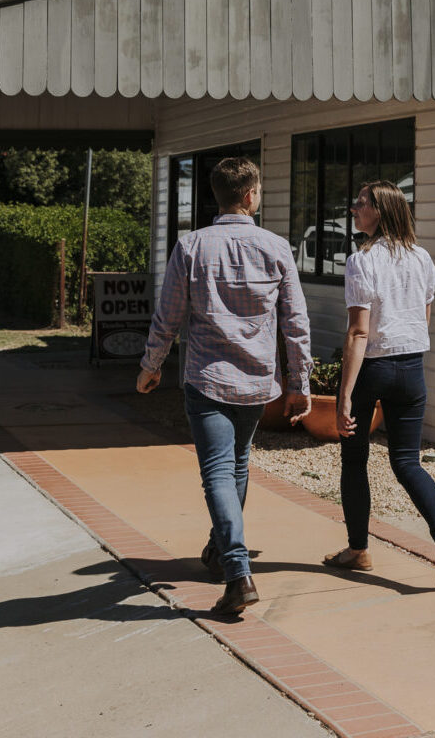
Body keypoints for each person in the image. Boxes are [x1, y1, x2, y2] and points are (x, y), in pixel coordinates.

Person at [137, 157, 311, 615]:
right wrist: (299, 381)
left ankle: (236, 571)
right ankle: (220, 551)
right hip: (255, 380)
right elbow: (295, 321)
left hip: (208, 377)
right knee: (236, 466)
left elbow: (169, 313)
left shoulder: (191, 246)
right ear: (251, 195)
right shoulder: (276, 247)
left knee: (219, 471)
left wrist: (151, 364)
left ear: (218, 196)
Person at [323, 181, 435, 589]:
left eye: (361, 203)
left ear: (380, 212)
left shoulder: (361, 260)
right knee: (406, 462)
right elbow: (422, 320)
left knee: (354, 458)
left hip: (374, 368)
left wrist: (344, 395)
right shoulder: (422, 259)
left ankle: (358, 549)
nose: (353, 209)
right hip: (412, 368)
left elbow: (358, 333)